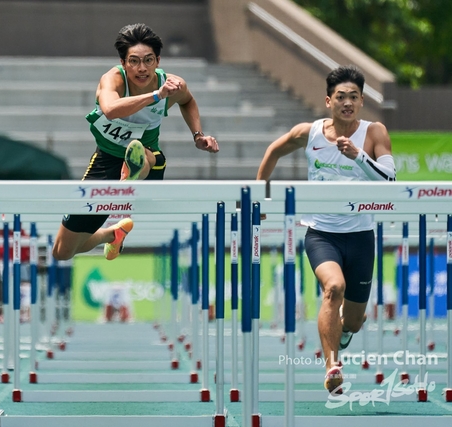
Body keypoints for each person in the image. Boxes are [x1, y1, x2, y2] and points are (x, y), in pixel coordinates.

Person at [256, 65, 396, 394]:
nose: (347, 103)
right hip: (321, 234)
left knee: (355, 321)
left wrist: (359, 157)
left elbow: (390, 181)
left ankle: (345, 331)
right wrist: (258, 195)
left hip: (361, 237)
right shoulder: (311, 132)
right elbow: (273, 151)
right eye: (340, 97)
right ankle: (332, 365)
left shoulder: (374, 133)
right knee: (334, 288)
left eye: (354, 97)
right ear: (328, 101)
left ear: (361, 101)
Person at [53, 23, 219, 262]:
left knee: (143, 154)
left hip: (151, 159)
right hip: (106, 159)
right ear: (123, 63)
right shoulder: (113, 80)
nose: (142, 68)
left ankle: (134, 168)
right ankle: (112, 234)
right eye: (134, 61)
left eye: (148, 60)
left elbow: (188, 101)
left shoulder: (173, 84)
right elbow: (109, 110)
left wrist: (198, 135)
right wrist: (156, 96)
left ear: (158, 61)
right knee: (62, 251)